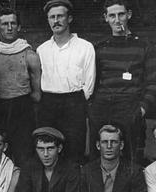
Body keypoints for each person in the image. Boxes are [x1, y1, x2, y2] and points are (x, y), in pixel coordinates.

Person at [90, 0, 156, 164]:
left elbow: (154, 82)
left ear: (129, 15)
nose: (117, 20)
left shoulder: (144, 46)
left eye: (121, 14)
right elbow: (91, 80)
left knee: (131, 158)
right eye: (112, 16)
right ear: (106, 18)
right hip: (102, 107)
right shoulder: (99, 48)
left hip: (129, 106)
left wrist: (141, 109)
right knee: (97, 156)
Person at [37, 0, 95, 163]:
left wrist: (76, 100)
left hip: (74, 103)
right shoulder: (42, 50)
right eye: (52, 17)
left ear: (69, 18)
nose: (56, 21)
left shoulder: (85, 47)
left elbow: (89, 84)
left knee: (74, 150)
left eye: (60, 16)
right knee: (48, 150)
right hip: (48, 103)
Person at [0, 8, 41, 165]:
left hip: (22, 109)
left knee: (24, 155)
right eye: (4, 24)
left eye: (13, 23)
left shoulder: (30, 55)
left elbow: (37, 93)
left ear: (19, 27)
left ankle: (23, 188)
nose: (9, 27)